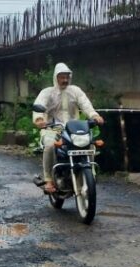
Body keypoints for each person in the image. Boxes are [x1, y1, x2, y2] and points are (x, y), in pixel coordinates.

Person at [32, 63, 104, 194]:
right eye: (62, 77)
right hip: (52, 128)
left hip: (73, 129)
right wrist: (39, 119)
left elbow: (85, 104)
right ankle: (49, 180)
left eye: (67, 77)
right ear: (56, 77)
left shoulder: (75, 91)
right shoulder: (47, 92)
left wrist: (94, 115)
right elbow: (39, 104)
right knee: (50, 145)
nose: (65, 80)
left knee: (89, 144)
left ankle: (90, 173)